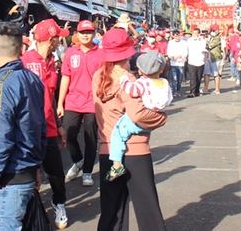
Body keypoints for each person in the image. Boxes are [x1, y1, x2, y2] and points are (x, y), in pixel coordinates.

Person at [0, 22, 47, 229]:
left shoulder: (2, 85)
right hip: (25, 172)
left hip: (10, 179)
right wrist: (36, 166)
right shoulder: (33, 79)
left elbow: (2, 141)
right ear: (21, 49)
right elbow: (41, 127)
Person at [93, 28, 167, 230]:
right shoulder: (128, 80)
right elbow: (138, 115)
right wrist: (161, 118)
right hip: (135, 150)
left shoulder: (98, 76)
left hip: (107, 148)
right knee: (148, 210)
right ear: (128, 52)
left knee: (112, 212)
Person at [21, 19, 69, 229]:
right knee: (29, 173)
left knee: (56, 172)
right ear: (51, 39)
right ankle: (28, 212)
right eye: (59, 37)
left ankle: (59, 204)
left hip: (49, 126)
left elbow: (49, 97)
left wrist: (58, 124)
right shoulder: (25, 61)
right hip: (29, 129)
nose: (60, 41)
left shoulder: (51, 61)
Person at [107, 51, 171, 181]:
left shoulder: (143, 83)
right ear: (161, 70)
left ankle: (117, 165)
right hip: (154, 118)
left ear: (141, 72)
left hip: (136, 119)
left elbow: (132, 91)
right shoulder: (164, 83)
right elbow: (169, 100)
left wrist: (124, 78)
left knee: (117, 134)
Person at [57, 18, 104, 187]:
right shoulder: (70, 52)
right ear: (77, 34)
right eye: (82, 32)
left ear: (94, 33)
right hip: (73, 100)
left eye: (89, 32)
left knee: (90, 138)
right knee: (68, 135)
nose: (85, 35)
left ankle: (87, 172)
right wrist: (60, 103)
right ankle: (78, 160)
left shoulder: (100, 53)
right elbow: (65, 77)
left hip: (93, 101)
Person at [203, 24, 224, 94]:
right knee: (206, 73)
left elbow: (209, 46)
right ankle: (205, 88)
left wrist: (206, 42)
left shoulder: (217, 38)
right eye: (211, 30)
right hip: (208, 57)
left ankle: (217, 89)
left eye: (213, 30)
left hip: (215, 58)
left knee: (215, 74)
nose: (212, 32)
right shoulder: (210, 37)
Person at [186, 28, 207, 98]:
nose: (194, 34)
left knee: (198, 77)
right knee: (193, 77)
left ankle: (196, 91)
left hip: (200, 61)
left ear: (198, 34)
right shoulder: (189, 41)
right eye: (193, 33)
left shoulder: (202, 41)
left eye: (196, 33)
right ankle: (192, 92)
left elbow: (203, 49)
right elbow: (187, 49)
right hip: (191, 61)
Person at [167, 30, 188, 97]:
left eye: (178, 36)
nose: (177, 37)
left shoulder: (184, 43)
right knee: (174, 78)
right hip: (173, 63)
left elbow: (186, 52)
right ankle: (175, 92)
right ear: (173, 36)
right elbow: (169, 52)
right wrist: (172, 57)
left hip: (181, 63)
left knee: (180, 78)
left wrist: (181, 56)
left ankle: (178, 89)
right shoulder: (170, 43)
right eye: (175, 36)